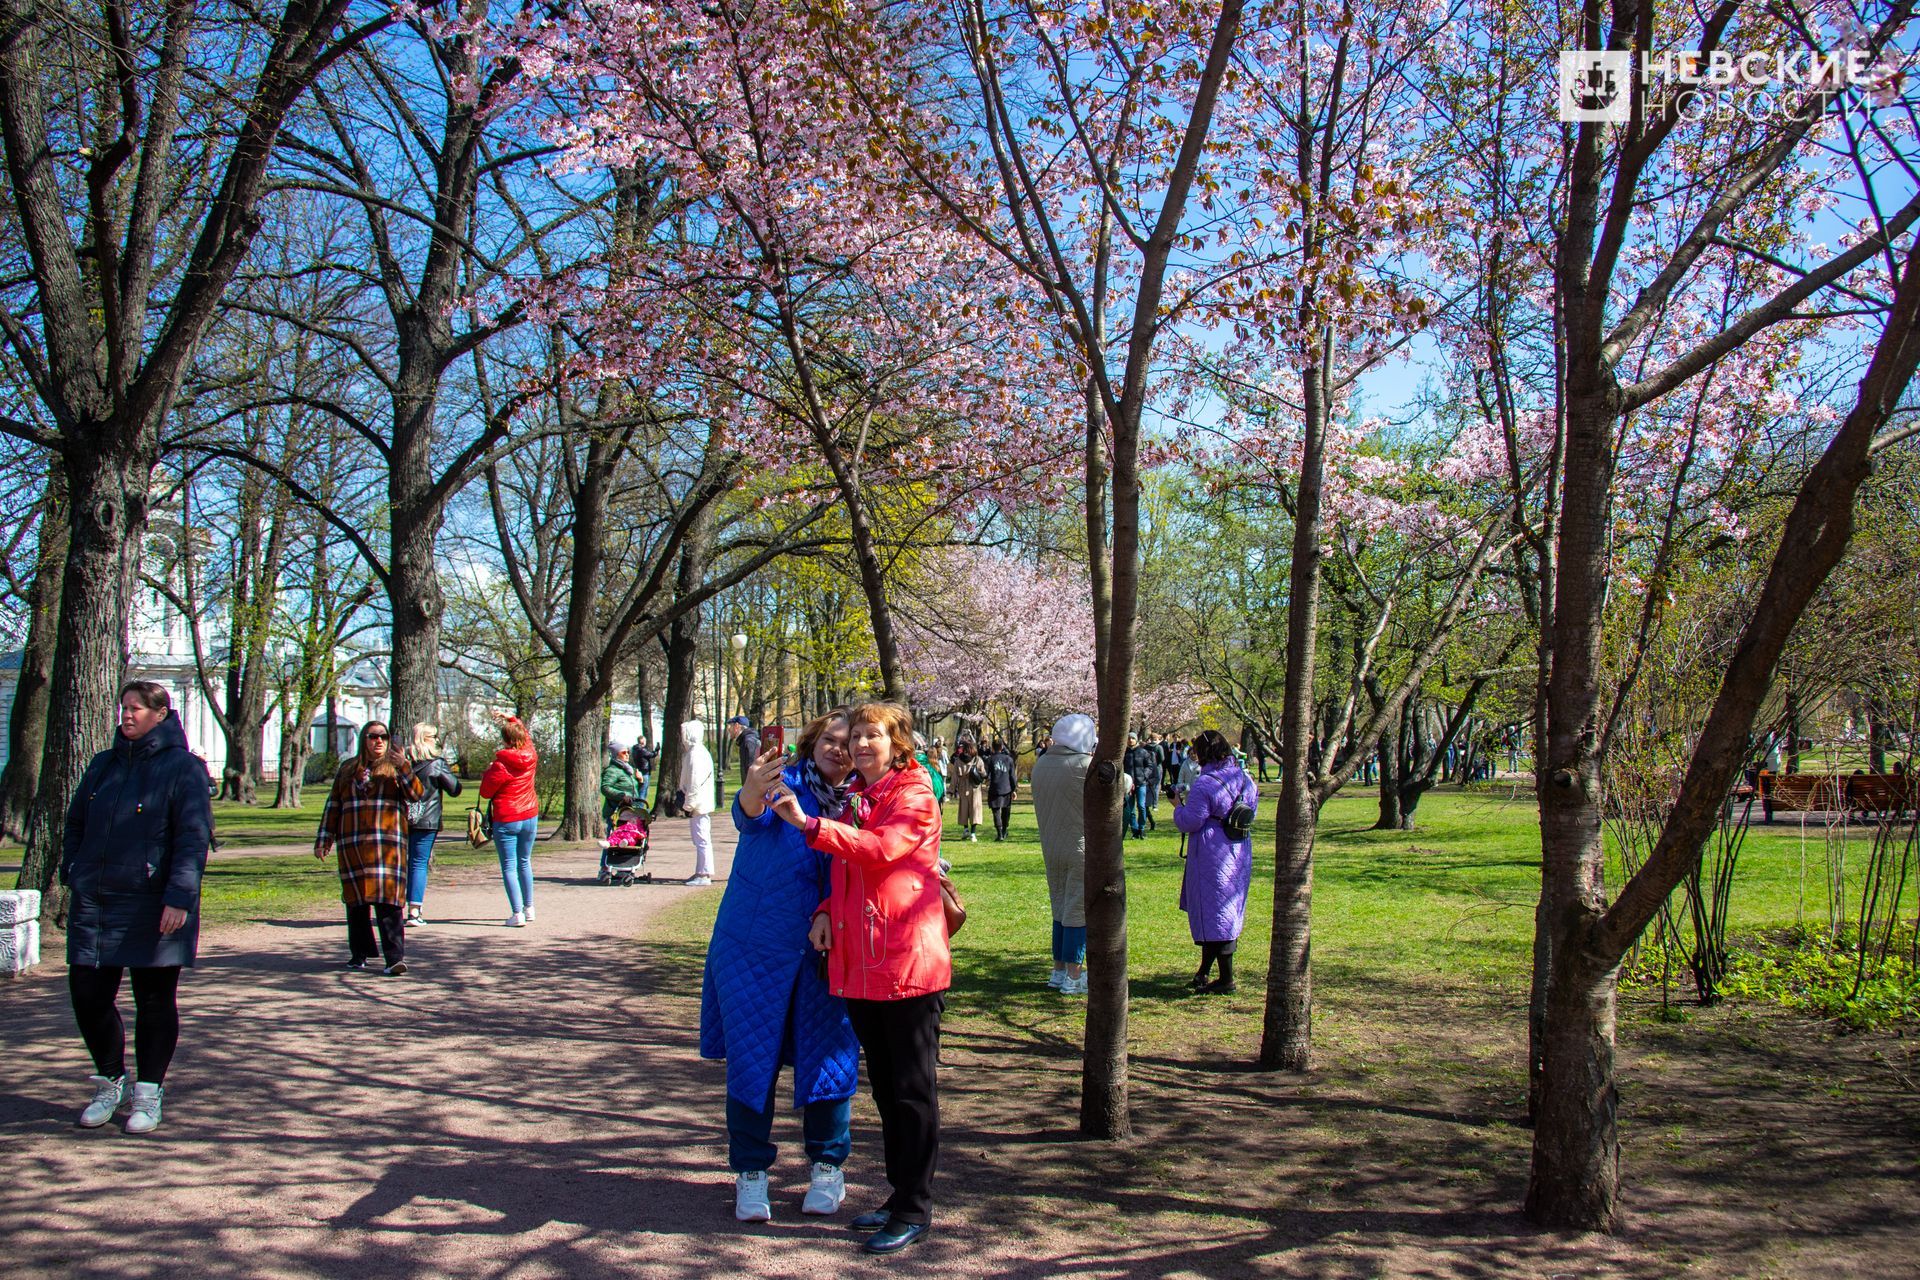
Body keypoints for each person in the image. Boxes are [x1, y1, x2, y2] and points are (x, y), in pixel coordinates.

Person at [770, 701, 948, 1256]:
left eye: (876, 736)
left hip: (905, 965)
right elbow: (851, 868)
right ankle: (900, 1197)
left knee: (912, 1091)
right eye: (859, 736)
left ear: (899, 744)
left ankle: (915, 1207)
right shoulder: (861, 795)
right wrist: (825, 908)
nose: (863, 744)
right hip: (864, 962)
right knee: (888, 1090)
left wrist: (809, 825)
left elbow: (882, 851)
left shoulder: (913, 793)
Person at [703, 711, 862, 1224]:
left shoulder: (863, 801)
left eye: (850, 742)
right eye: (830, 740)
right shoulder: (783, 780)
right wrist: (753, 787)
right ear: (812, 742)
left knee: (830, 1056)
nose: (838, 750)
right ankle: (751, 1173)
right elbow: (750, 815)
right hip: (755, 945)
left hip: (830, 950)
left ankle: (826, 1167)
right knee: (753, 1060)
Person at [62, 681, 213, 1134]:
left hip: (155, 903)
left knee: (153, 1000)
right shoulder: (102, 765)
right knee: (87, 994)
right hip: (97, 901)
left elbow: (193, 838)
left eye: (136, 709)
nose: (126, 716)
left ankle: (149, 1092)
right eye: (123, 708)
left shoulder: (182, 768)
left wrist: (179, 897)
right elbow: (75, 823)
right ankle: (109, 1081)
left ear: (161, 714)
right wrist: (74, 868)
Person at [316, 721, 425, 974]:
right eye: (372, 736)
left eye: (383, 737)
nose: (378, 741)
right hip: (353, 845)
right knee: (356, 903)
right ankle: (359, 954)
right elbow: (333, 804)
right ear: (363, 739)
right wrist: (324, 838)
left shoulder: (395, 769)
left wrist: (403, 767)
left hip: (387, 847)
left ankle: (394, 959)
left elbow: (416, 794)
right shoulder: (348, 769)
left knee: (389, 904)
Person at [1173, 729, 1258, 994]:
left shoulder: (1206, 784)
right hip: (1239, 847)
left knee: (1215, 912)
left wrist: (1177, 805)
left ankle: (1226, 979)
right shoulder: (1245, 779)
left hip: (1212, 852)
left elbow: (1190, 821)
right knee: (1225, 910)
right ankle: (1204, 972)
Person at [1029, 713, 1093, 995]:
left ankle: (1057, 970)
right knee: (1076, 910)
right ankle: (1073, 975)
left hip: (1051, 845)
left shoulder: (1042, 764)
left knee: (1059, 907)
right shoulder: (1083, 765)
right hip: (1079, 846)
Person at [478, 713, 540, 926]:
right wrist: (513, 719)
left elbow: (486, 792)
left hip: (507, 817)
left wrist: (487, 771)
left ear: (504, 739)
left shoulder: (500, 764)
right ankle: (529, 907)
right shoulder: (530, 755)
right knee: (524, 861)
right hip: (529, 814)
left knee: (509, 866)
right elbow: (527, 738)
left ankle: (517, 913)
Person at [403, 723, 462, 926]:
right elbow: (454, 788)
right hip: (426, 819)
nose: (437, 740)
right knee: (419, 862)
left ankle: (399, 906)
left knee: (402, 862)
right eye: (434, 736)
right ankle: (414, 910)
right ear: (426, 739)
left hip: (401, 818)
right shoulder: (436, 764)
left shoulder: (403, 762)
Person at [681, 719, 718, 885]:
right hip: (699, 801)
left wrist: (689, 804)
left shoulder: (696, 754)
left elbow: (694, 782)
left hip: (698, 803)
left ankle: (704, 874)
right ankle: (702, 871)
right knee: (700, 838)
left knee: (702, 838)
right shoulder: (697, 752)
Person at [947, 737, 987, 843]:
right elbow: (983, 773)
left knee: (964, 809)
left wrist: (951, 790)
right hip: (974, 787)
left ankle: (965, 829)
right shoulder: (977, 760)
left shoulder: (958, 761)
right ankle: (973, 833)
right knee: (975, 809)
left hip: (962, 787)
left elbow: (954, 777)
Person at [1123, 732, 1159, 837]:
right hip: (1128, 785)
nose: (1130, 740)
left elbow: (1150, 766)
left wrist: (1144, 775)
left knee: (1141, 806)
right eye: (1129, 738)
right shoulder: (1124, 753)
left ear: (1136, 740)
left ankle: (1142, 828)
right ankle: (1135, 829)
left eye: (1132, 738)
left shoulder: (1143, 752)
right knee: (1130, 809)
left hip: (1141, 783)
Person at [601, 742, 643, 827]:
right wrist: (622, 796)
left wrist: (640, 781)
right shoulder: (612, 770)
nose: (627, 754)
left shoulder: (628, 770)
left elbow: (633, 791)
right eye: (624, 752)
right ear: (616, 754)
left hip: (630, 810)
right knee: (617, 838)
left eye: (628, 752)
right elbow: (605, 788)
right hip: (616, 811)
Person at [985, 739, 1017, 841]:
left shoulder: (990, 759)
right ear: (1002, 747)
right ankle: (1004, 831)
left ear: (993, 748)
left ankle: (1000, 834)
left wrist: (986, 781)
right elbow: (1012, 776)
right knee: (1006, 811)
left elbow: (986, 774)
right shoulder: (1009, 759)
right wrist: (1014, 789)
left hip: (994, 788)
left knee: (996, 811)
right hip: (1007, 788)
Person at [727, 716, 761, 787]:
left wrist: (747, 790)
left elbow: (751, 768)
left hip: (752, 790)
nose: (728, 729)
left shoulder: (748, 742)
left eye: (730, 726)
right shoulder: (746, 741)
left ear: (736, 726)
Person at [631, 736, 657, 808]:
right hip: (644, 772)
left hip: (639, 771)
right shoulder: (641, 750)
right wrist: (656, 751)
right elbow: (652, 755)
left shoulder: (634, 749)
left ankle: (638, 809)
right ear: (642, 741)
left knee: (640, 791)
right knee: (643, 792)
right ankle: (640, 810)